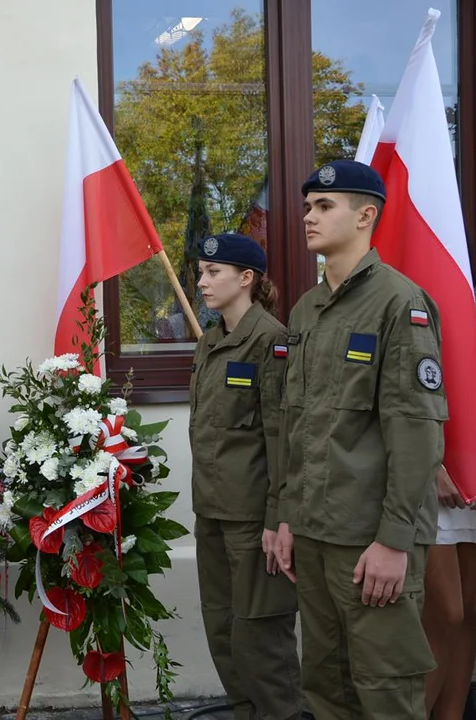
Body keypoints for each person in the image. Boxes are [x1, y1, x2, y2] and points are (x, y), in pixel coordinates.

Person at [275, 159, 447, 719]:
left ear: (366, 215)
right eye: (306, 207)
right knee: (326, 690)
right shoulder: (306, 309)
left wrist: (396, 540)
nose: (308, 217)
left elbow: (416, 430)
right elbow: (296, 426)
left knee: (385, 693)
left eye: (324, 206)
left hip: (371, 538)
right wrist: (285, 517)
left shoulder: (400, 303)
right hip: (316, 534)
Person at [189, 232, 302, 720]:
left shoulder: (271, 341)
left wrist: (278, 519)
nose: (203, 282)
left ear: (246, 278)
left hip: (254, 518)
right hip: (211, 511)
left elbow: (284, 441)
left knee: (261, 641)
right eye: (200, 273)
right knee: (223, 634)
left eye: (214, 273)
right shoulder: (211, 342)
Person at [421, 283, 476, 720]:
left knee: (464, 610)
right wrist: (431, 463)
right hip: (433, 470)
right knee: (443, 610)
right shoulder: (447, 287)